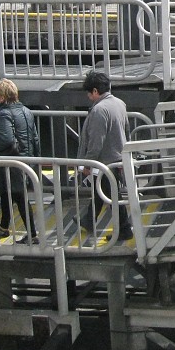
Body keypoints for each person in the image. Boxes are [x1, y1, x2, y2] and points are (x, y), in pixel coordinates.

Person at [77, 71, 133, 240]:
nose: (88, 97)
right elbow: (126, 130)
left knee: (111, 195)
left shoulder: (99, 110)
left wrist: (87, 164)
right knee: (102, 190)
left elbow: (96, 142)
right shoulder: (119, 103)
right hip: (117, 157)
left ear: (95, 91)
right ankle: (89, 219)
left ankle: (124, 229)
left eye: (89, 93)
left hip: (105, 161)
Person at [0, 78, 41, 243]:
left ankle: (32, 235)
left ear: (2, 96)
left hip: (11, 161)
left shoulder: (4, 114)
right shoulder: (26, 110)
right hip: (25, 158)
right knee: (7, 193)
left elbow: (6, 139)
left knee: (19, 197)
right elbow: (35, 137)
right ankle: (3, 227)